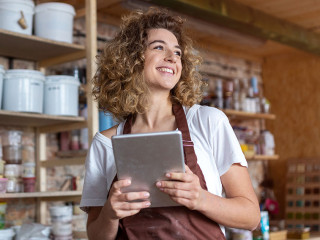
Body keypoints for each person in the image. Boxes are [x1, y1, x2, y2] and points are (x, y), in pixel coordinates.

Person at [80, 7, 260, 240]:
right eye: (158, 47)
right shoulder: (105, 144)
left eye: (177, 52)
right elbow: (95, 235)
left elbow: (251, 216)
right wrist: (110, 214)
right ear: (131, 59)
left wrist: (200, 198)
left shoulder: (208, 122)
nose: (172, 57)